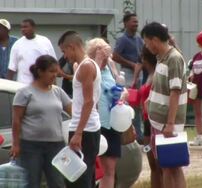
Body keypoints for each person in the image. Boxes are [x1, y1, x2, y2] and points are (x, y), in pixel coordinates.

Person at [10, 55, 72, 188]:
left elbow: (74, 112)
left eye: (56, 71)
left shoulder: (58, 92)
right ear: (40, 72)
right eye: (51, 71)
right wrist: (16, 144)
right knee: (32, 182)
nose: (55, 75)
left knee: (58, 183)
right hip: (31, 146)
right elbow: (16, 120)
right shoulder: (24, 93)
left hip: (56, 145)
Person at [141, 22, 187, 188]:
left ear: (154, 40)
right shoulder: (161, 57)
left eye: (146, 42)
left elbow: (175, 91)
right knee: (169, 166)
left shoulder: (173, 58)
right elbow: (162, 86)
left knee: (169, 166)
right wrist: (150, 99)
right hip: (158, 121)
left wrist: (170, 123)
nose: (147, 46)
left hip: (166, 123)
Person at [58, 31, 101, 188]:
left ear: (72, 47)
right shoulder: (87, 65)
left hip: (85, 130)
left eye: (64, 51)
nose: (65, 56)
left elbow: (89, 102)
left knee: (77, 179)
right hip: (87, 127)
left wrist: (78, 133)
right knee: (84, 176)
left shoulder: (86, 66)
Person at [85, 38, 122, 188]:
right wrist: (98, 61)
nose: (107, 58)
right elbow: (92, 87)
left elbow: (116, 89)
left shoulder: (109, 67)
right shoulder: (87, 66)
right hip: (94, 123)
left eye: (108, 55)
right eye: (103, 55)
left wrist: (121, 92)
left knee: (110, 169)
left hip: (111, 122)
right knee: (90, 168)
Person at [112, 12, 144, 143]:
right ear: (126, 24)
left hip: (140, 74)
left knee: (139, 105)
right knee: (129, 104)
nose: (136, 24)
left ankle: (139, 133)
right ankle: (130, 135)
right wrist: (131, 64)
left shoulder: (139, 39)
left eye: (137, 22)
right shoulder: (122, 40)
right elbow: (115, 56)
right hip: (128, 75)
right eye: (133, 22)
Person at [7, 18, 56, 84]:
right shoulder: (17, 44)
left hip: (42, 84)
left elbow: (53, 64)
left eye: (25, 27)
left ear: (33, 28)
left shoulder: (45, 41)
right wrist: (8, 84)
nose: (23, 29)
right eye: (21, 27)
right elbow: (12, 68)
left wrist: (54, 85)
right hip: (23, 84)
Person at [139, 46, 162, 188]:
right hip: (146, 121)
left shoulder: (156, 75)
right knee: (153, 165)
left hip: (155, 121)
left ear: (144, 59)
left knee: (160, 165)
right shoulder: (148, 74)